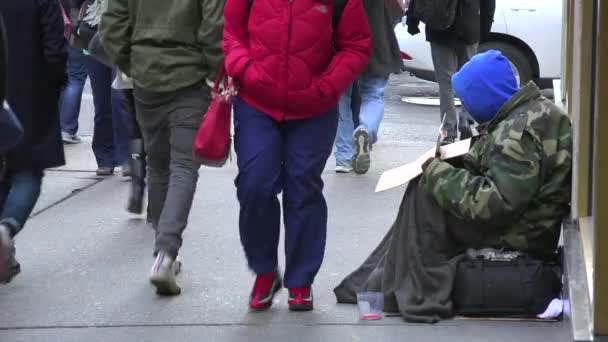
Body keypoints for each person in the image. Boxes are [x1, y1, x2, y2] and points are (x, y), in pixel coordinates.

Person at [334, 50, 572, 322]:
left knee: (424, 194)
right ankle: (390, 278)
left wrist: (440, 174)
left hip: (522, 235)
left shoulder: (516, 134)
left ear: (485, 96)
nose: (466, 108)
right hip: (530, 221)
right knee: (428, 185)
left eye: (468, 100)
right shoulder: (534, 111)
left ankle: (417, 288)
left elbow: (497, 205)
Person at [223, 0, 371, 311]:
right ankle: (264, 270)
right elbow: (231, 34)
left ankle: (300, 279)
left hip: (314, 106)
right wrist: (246, 69)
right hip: (257, 101)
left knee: (302, 185)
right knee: (255, 183)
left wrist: (329, 85)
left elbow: (356, 45)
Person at [100, 0, 225, 295]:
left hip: (146, 76)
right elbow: (214, 28)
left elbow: (112, 26)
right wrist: (214, 72)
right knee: (184, 165)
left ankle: (162, 252)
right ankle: (166, 252)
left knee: (157, 165)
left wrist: (133, 64)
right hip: (190, 77)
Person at [0, 0, 67, 283]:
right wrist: (53, 86)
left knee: (4, 173)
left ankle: (6, 249)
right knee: (28, 172)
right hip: (31, 92)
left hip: (8, 95)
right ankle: (6, 229)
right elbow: (55, 49)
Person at [406, 0, 496, 142]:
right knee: (468, 79)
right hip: (469, 28)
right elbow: (488, 4)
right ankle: (466, 119)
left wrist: (412, 20)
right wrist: (484, 30)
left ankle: (448, 130)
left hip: (440, 30)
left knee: (446, 83)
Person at [334, 0, 404, 174]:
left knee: (341, 97)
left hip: (342, 42)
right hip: (377, 39)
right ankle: (365, 129)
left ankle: (344, 157)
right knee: (373, 94)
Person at [69, 0, 131, 177]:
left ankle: (129, 157)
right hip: (92, 39)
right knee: (102, 102)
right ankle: (105, 158)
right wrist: (77, 27)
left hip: (123, 39)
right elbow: (74, 4)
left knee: (121, 99)